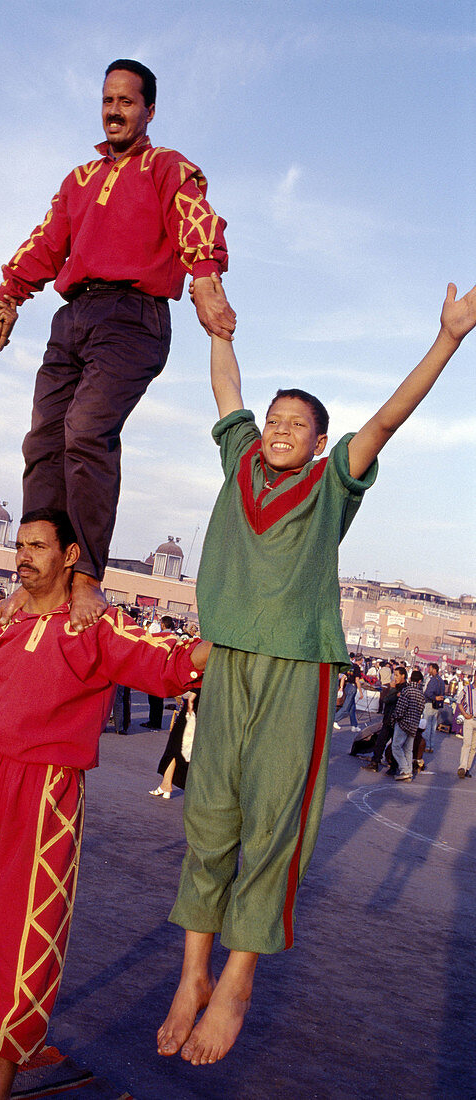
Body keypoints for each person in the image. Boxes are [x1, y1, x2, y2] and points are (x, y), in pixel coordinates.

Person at [157, 277, 476, 1066]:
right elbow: (225, 383)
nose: (278, 430)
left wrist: (447, 339)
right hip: (226, 659)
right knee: (209, 822)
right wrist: (216, 323)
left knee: (272, 826)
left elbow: (386, 421)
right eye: (273, 420)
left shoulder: (332, 482)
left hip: (296, 670)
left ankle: (236, 979)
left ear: (317, 438)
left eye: (296, 424)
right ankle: (190, 973)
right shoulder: (237, 458)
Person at [0, 509, 211, 1100]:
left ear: (71, 556)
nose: (23, 556)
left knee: (29, 935)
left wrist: (251, 635)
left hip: (49, 791)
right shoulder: (4, 618)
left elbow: (172, 662)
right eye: (20, 545)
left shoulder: (97, 627)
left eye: (37, 546)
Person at [0, 59, 234, 631]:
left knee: (87, 430)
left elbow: (197, 221)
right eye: (107, 100)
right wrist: (7, 299)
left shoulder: (167, 167)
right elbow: (45, 242)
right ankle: (37, 574)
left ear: (148, 110)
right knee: (43, 440)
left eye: (126, 101)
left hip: (133, 316)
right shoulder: (78, 179)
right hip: (74, 316)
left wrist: (205, 281)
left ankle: (87, 574)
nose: (114, 110)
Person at [150, 688, 200, 799]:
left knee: (176, 744)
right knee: (176, 745)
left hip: (194, 705)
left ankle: (166, 785)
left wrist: (192, 695)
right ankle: (166, 784)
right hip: (200, 705)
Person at [390, 669, 426, 782]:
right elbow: (421, 711)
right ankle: (409, 772)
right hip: (414, 725)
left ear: (410, 679)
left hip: (403, 723)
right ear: (420, 681)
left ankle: (405, 769)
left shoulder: (407, 691)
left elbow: (400, 709)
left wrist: (394, 718)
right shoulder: (421, 695)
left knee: (396, 747)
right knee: (408, 750)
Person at [422, 662, 446, 752]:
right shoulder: (441, 681)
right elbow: (443, 693)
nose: (428, 670)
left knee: (427, 725)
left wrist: (434, 697)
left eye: (430, 668)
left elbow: (427, 693)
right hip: (437, 705)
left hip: (429, 703)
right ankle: (431, 746)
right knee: (433, 726)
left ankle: (426, 745)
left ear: (434, 669)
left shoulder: (432, 680)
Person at [455, 677, 475, 778]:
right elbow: (459, 702)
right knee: (467, 743)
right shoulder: (467, 689)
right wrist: (464, 714)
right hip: (469, 719)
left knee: (474, 747)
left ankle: (467, 768)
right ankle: (462, 767)